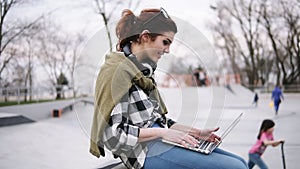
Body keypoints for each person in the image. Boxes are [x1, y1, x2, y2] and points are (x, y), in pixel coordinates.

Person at [90, 7, 248, 169]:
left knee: (242, 163)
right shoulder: (118, 72)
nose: (167, 50)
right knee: (237, 167)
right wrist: (162, 133)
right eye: (165, 42)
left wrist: (195, 133)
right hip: (145, 152)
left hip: (160, 141)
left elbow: (160, 122)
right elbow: (113, 136)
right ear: (145, 37)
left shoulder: (142, 71)